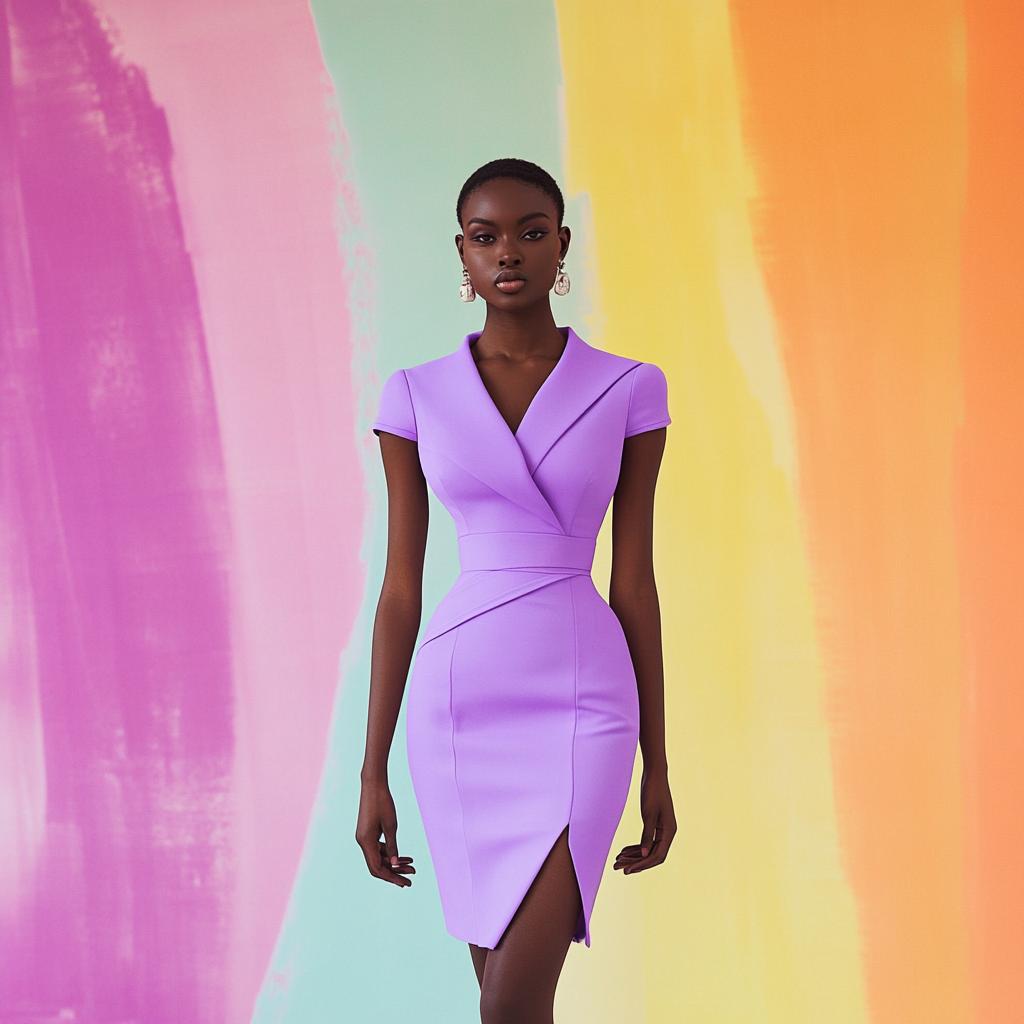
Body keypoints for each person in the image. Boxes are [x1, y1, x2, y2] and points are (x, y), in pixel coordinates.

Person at [356, 158, 676, 1024]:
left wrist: (658, 756)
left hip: (586, 700)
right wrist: (372, 768)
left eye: (532, 232)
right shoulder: (415, 394)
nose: (508, 253)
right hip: (462, 707)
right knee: (509, 1008)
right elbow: (397, 593)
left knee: (510, 1008)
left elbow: (635, 583)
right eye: (486, 236)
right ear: (460, 253)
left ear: (562, 245)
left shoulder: (629, 386)